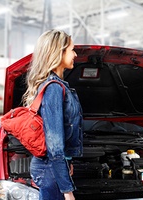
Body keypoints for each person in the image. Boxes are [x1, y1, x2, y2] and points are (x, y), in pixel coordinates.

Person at [22, 29, 83, 200]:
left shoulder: (56, 85)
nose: (75, 54)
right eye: (72, 49)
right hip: (50, 169)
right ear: (58, 52)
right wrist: (67, 190)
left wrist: (67, 161)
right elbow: (55, 146)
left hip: (53, 168)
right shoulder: (54, 88)